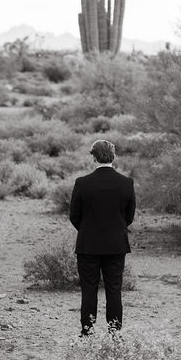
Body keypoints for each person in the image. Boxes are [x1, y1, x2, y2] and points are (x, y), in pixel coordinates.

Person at [68, 139, 136, 336]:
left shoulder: (82, 183)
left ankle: (87, 332)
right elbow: (129, 217)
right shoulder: (126, 183)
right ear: (113, 157)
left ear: (93, 157)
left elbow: (74, 216)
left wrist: (88, 230)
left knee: (88, 290)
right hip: (116, 245)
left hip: (88, 245)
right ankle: (114, 332)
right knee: (114, 290)